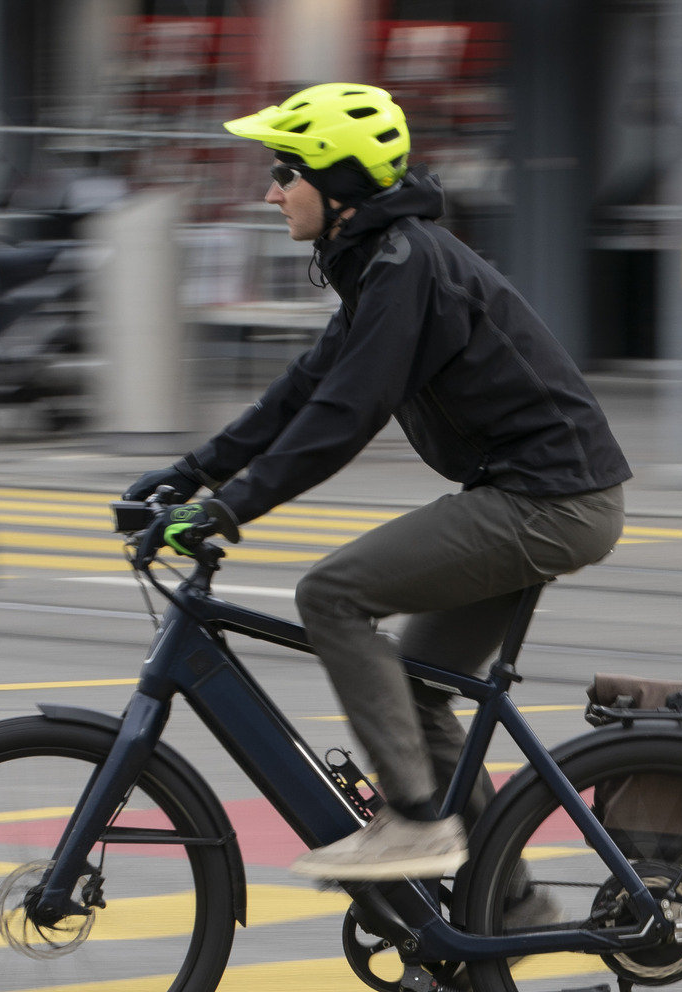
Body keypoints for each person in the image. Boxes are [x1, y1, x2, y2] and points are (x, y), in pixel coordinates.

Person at [125, 83, 631, 884]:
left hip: (547, 501)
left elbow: (343, 417)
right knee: (420, 688)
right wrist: (194, 472)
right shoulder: (380, 262)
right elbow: (303, 388)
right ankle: (507, 904)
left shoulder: (406, 265)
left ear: (341, 186)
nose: (269, 191)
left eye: (284, 172)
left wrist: (226, 507)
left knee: (331, 594)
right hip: (531, 494)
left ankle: (414, 824)